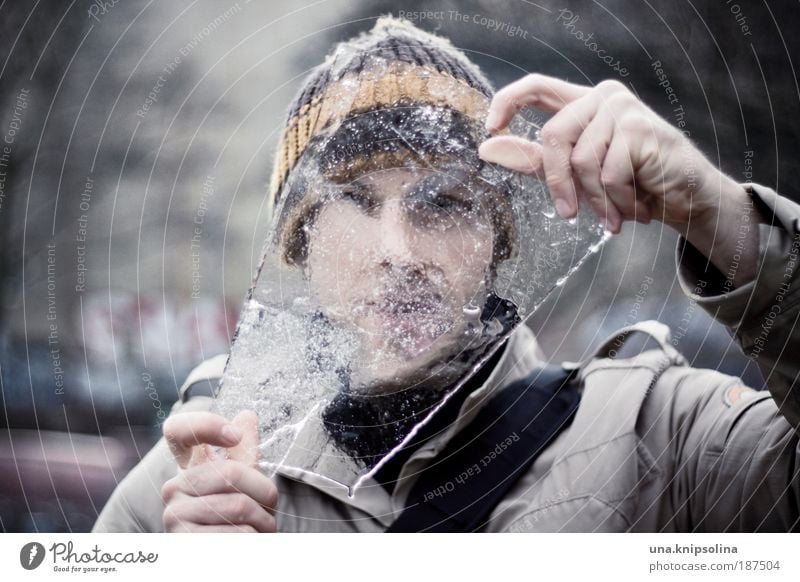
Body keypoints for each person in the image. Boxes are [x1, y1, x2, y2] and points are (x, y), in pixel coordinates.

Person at [93, 17, 800, 533]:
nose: (399, 251)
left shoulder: (662, 438)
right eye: (355, 202)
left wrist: (718, 214)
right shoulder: (199, 480)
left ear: (497, 239)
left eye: (447, 206)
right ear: (300, 243)